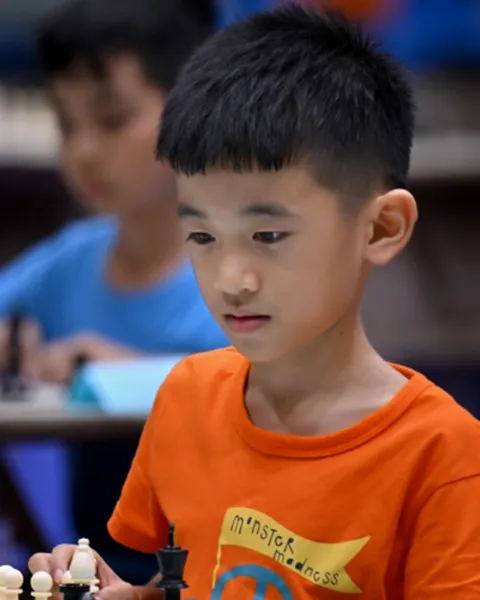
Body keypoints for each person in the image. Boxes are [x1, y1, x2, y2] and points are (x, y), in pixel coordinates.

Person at [28, 5, 480, 599]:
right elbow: (186, 582)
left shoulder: (443, 455)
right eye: (202, 237)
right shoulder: (187, 398)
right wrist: (125, 592)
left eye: (267, 235)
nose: (230, 279)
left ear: (381, 227)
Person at [0, 0, 227, 585]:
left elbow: (282, 387)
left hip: (228, 569)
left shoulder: (242, 264)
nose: (82, 151)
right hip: (99, 570)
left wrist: (114, 375)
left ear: (194, 113)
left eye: (112, 120)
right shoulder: (73, 259)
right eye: (65, 125)